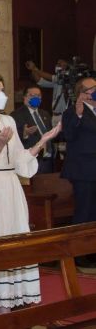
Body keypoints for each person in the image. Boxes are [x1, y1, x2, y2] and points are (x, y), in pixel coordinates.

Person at [0, 71, 60, 316]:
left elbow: (19, 160)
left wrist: (41, 142)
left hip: (11, 187)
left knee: (14, 243)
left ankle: (8, 314)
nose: (4, 96)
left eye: (3, 90)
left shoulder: (8, 121)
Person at [61, 77, 96, 228]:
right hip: (84, 171)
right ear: (82, 93)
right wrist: (79, 115)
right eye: (93, 88)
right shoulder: (71, 112)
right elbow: (68, 135)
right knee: (85, 212)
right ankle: (79, 249)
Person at [10, 84, 54, 174]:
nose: (36, 98)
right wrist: (24, 134)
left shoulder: (45, 114)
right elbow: (13, 139)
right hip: (32, 160)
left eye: (38, 95)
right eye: (32, 95)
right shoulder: (16, 115)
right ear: (25, 97)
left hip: (48, 159)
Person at [25, 59, 69, 126]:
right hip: (55, 116)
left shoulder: (65, 79)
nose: (57, 66)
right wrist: (32, 69)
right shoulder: (57, 82)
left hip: (64, 117)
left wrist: (34, 68)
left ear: (66, 67)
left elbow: (50, 77)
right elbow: (39, 81)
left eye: (60, 65)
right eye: (57, 64)